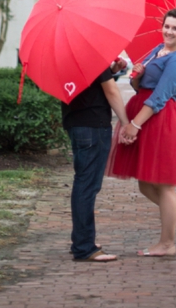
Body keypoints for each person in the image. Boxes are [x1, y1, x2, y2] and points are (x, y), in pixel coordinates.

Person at [106, 8, 176, 257]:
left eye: (175, 28)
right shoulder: (157, 50)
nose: (169, 31)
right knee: (146, 185)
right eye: (167, 26)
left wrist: (134, 125)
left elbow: (160, 97)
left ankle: (167, 243)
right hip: (147, 117)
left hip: (159, 121)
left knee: (163, 186)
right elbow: (140, 84)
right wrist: (138, 77)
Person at [62, 58, 129, 262]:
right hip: (93, 126)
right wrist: (125, 123)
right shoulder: (93, 56)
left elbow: (88, 84)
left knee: (83, 183)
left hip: (75, 123)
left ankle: (81, 240)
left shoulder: (67, 57)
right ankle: (84, 247)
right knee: (87, 185)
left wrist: (111, 71)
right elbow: (111, 92)